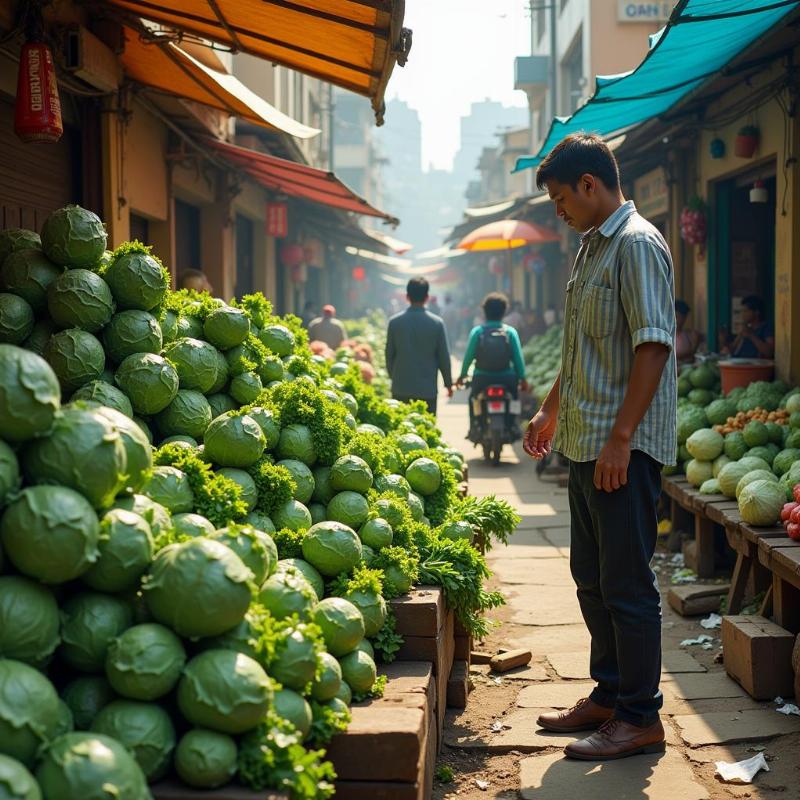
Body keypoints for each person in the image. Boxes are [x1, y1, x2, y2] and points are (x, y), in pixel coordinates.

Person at [523, 133, 676, 760]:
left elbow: (653, 343)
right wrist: (552, 408)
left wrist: (621, 439)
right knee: (590, 577)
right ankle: (609, 695)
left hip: (623, 449)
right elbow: (583, 344)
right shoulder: (591, 247)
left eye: (561, 198)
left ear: (590, 184)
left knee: (627, 585)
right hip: (586, 443)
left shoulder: (636, 244)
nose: (559, 210)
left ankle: (641, 717)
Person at [456, 292, 528, 438]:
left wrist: (462, 376)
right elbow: (518, 359)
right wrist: (522, 378)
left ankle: (474, 428)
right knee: (514, 398)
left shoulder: (477, 332)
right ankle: (513, 425)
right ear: (504, 311)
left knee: (473, 399)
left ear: (484, 311)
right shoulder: (510, 332)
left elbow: (468, 357)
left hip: (481, 378)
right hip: (507, 378)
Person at [385, 277, 453, 415]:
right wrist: (448, 384)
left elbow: (389, 355)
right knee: (426, 430)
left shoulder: (394, 323)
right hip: (427, 391)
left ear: (407, 297)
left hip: (401, 389)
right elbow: (443, 357)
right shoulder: (437, 323)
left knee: (402, 430)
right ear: (427, 297)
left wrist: (395, 377)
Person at [719, 295, 774, 359]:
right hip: (740, 363)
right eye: (742, 311)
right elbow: (732, 349)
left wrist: (751, 336)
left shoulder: (766, 327)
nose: (742, 314)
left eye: (745, 311)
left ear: (757, 312)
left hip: (755, 366)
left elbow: (770, 352)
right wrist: (723, 340)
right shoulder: (746, 328)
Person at [674, 300, 704, 364]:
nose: (679, 320)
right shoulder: (665, 335)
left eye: (683, 318)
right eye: (676, 316)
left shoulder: (690, 335)